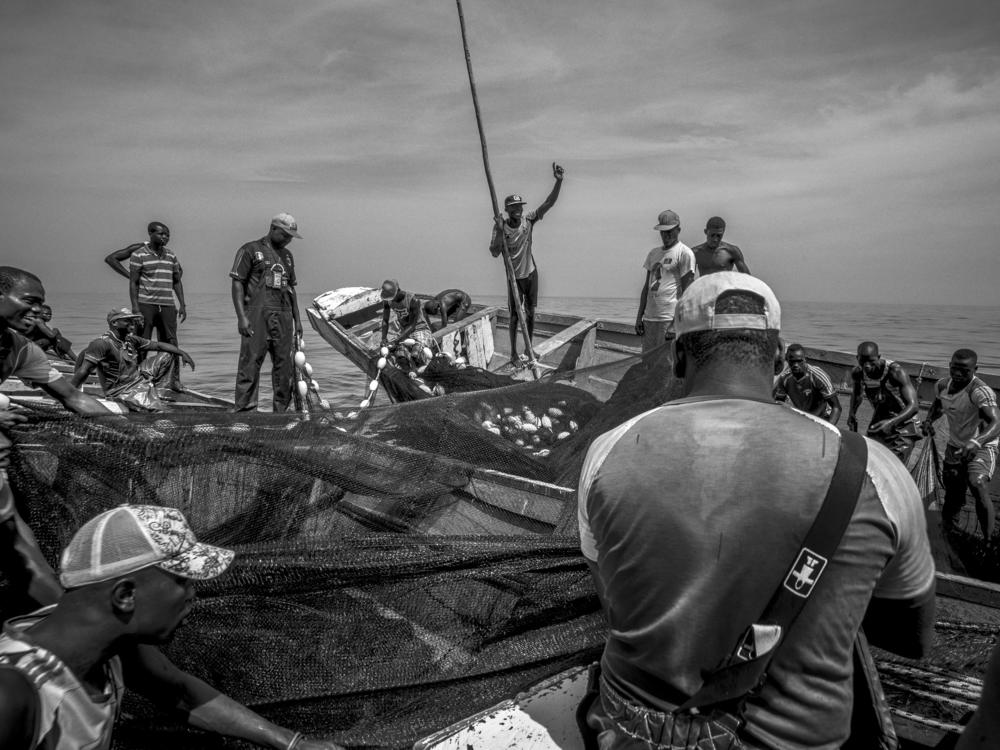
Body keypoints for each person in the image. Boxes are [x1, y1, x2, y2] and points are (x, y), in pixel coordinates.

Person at [579, 273, 935, 749]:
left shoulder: (609, 452)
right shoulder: (873, 469)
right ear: (778, 355)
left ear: (677, 356)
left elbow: (614, 603)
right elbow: (911, 638)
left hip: (632, 733)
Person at [0, 504, 342, 750]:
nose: (193, 595)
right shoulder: (15, 694)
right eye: (183, 581)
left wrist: (293, 742)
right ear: (126, 594)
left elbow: (178, 692)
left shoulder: (108, 648)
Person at [1, 267, 112, 616]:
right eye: (29, 301)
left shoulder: (19, 349)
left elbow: (75, 399)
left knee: (17, 537)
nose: (36, 312)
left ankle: (55, 613)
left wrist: (131, 428)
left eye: (42, 305)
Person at [489, 162, 564, 365]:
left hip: (530, 274)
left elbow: (548, 203)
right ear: (506, 210)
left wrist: (559, 182)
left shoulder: (528, 221)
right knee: (514, 316)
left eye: (520, 207)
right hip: (514, 278)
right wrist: (497, 230)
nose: (518, 211)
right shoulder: (501, 227)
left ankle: (529, 348)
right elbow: (495, 252)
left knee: (531, 313)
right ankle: (513, 354)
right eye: (513, 208)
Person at [922, 349, 1000, 541]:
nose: (958, 374)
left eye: (964, 371)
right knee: (953, 492)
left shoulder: (979, 391)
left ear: (975, 369)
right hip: (955, 445)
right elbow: (938, 406)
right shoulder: (941, 386)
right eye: (954, 369)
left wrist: (976, 441)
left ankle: (989, 541)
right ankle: (950, 533)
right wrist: (929, 420)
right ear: (949, 366)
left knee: (977, 482)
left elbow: (996, 422)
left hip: (982, 445)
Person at [230, 213, 303, 412]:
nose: (288, 239)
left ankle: (281, 412)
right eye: (285, 234)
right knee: (250, 363)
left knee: (284, 367)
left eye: (291, 237)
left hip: (284, 315)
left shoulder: (288, 256)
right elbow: (237, 283)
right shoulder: (250, 249)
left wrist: (298, 319)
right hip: (257, 314)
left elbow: (290, 288)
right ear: (273, 229)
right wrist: (242, 317)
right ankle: (246, 411)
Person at [105, 222, 187, 391]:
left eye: (167, 235)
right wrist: (136, 308)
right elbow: (133, 283)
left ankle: (173, 380)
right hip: (145, 304)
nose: (165, 237)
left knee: (171, 342)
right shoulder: (138, 253)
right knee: (142, 343)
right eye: (161, 234)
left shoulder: (171, 255)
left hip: (167, 305)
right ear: (150, 234)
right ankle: (137, 379)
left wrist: (182, 304)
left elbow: (177, 280)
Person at [72, 308, 195, 400]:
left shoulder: (131, 340)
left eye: (132, 320)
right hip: (120, 390)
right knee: (156, 411)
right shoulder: (102, 343)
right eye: (127, 321)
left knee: (168, 354)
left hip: (136, 380)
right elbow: (84, 369)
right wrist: (70, 395)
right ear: (114, 323)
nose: (132, 323)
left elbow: (158, 345)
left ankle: (162, 389)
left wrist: (182, 353)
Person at [847, 341, 921, 462]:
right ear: (857, 358)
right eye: (862, 361)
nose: (867, 366)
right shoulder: (858, 373)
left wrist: (891, 423)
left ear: (879, 357)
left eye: (871, 361)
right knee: (871, 460)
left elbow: (913, 406)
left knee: (894, 464)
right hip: (881, 420)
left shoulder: (896, 372)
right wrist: (852, 413)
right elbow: (857, 394)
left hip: (905, 423)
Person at [634, 209, 695, 353]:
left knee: (666, 364)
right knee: (648, 362)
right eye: (662, 232)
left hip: (668, 319)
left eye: (670, 231)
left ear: (678, 230)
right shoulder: (653, 253)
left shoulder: (684, 253)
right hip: (649, 319)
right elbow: (646, 288)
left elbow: (688, 293)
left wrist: (675, 324)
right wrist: (639, 317)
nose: (666, 235)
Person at [773, 343, 842, 424]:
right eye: (792, 361)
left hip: (823, 418)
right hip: (802, 417)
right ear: (787, 360)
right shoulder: (784, 378)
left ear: (805, 360)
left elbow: (836, 407)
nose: (795, 365)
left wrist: (829, 429)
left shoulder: (818, 376)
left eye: (799, 361)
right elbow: (778, 404)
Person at [379, 280, 435, 367]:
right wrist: (383, 339)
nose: (391, 299)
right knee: (401, 357)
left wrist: (397, 341)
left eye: (392, 297)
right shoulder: (387, 300)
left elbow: (412, 325)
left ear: (397, 291)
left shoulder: (412, 300)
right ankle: (408, 373)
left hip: (420, 329)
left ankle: (421, 371)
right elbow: (385, 320)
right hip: (404, 332)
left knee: (416, 354)